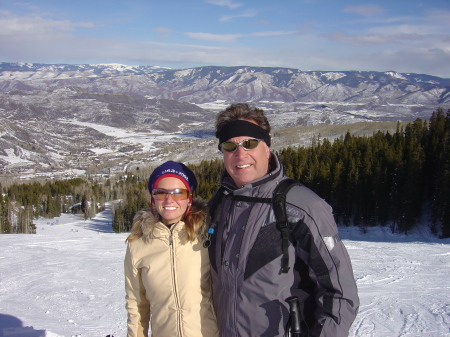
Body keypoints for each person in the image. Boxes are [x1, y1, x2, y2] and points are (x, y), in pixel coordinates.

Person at [207, 103, 359, 337]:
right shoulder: (219, 203)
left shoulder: (301, 206)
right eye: (230, 146)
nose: (240, 154)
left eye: (249, 143)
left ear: (266, 148)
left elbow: (339, 292)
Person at [124, 161, 219, 337]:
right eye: (161, 193)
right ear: (153, 198)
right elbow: (137, 304)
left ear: (189, 198)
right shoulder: (137, 245)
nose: (169, 200)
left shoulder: (207, 235)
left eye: (178, 193)